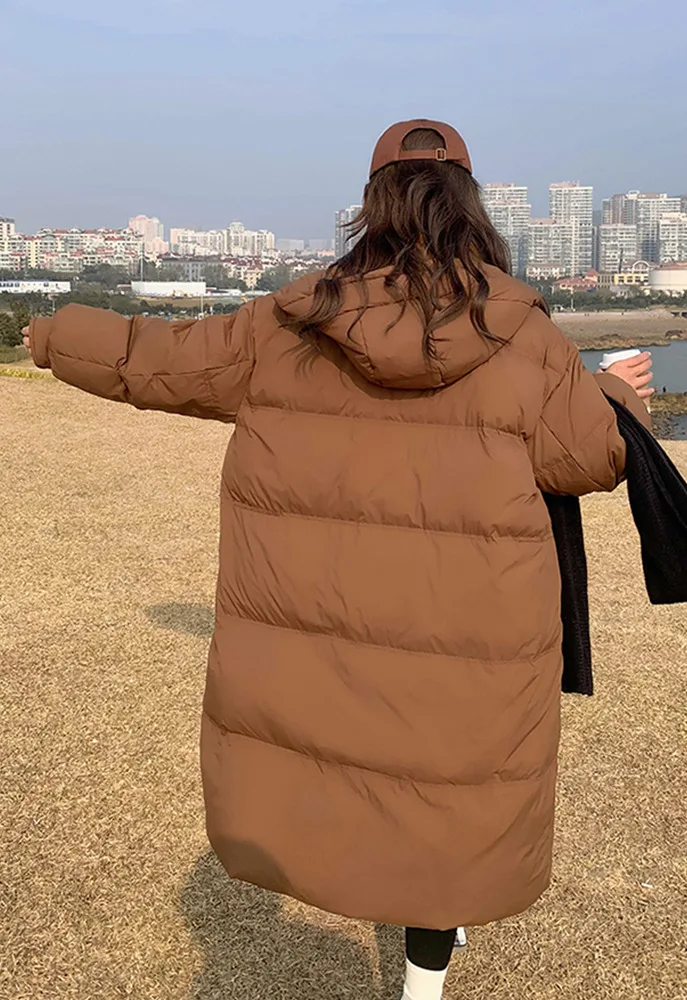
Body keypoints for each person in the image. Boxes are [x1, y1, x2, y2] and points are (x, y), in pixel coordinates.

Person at [23, 119, 653, 1000]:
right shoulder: (526, 338)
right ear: (470, 205)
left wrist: (52, 334)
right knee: (447, 793)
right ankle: (423, 985)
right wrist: (617, 394)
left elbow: (152, 359)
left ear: (372, 205)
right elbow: (589, 459)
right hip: (464, 634)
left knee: (364, 774)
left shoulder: (285, 324)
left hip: (324, 625)